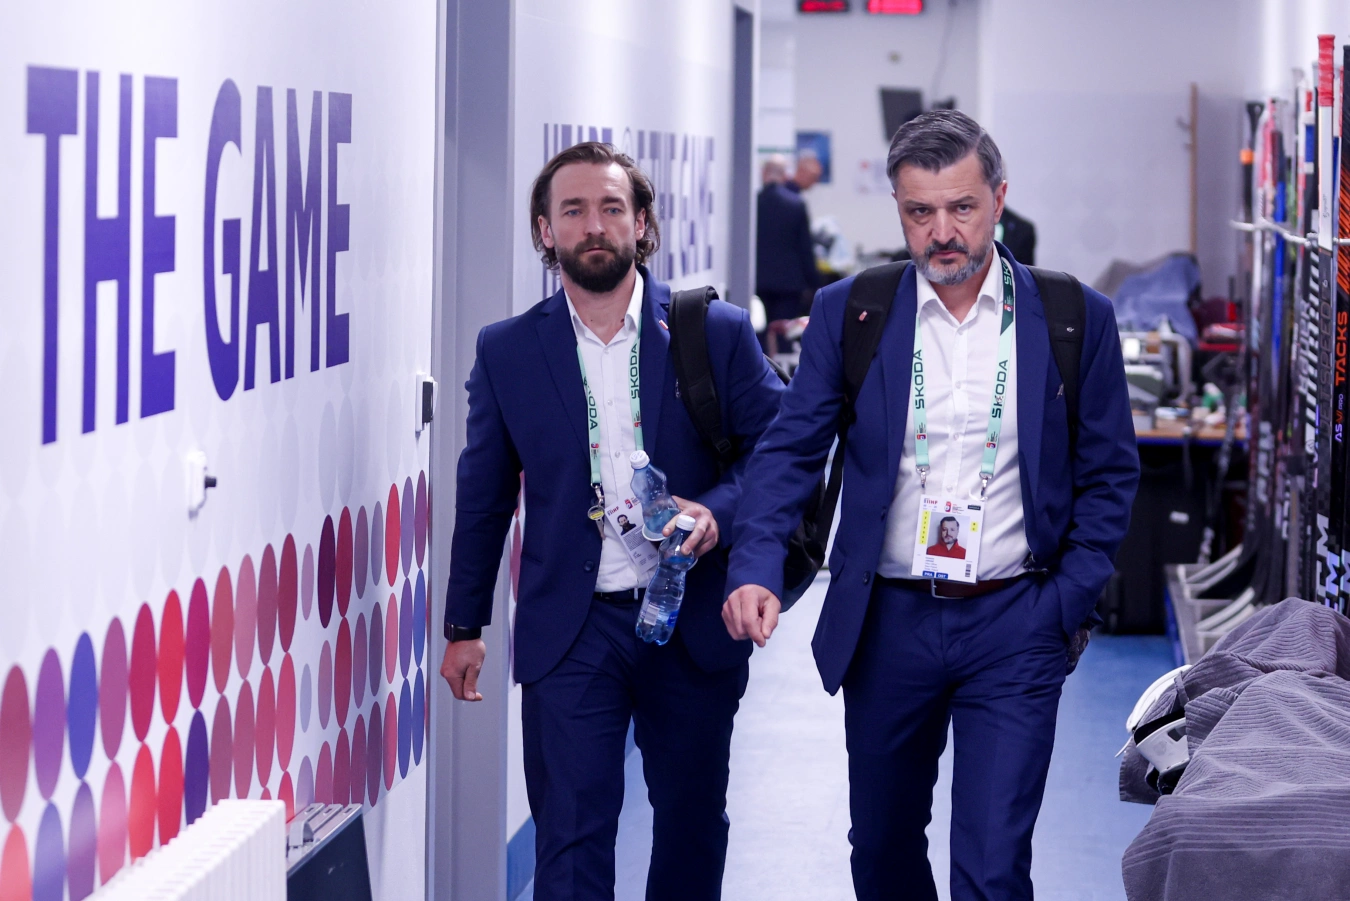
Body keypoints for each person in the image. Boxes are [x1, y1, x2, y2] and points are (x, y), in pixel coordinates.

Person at [722, 110, 1139, 901]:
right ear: (898, 208)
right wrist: (754, 564)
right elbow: (789, 450)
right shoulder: (854, 311)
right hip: (888, 621)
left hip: (1015, 620)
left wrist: (1064, 602)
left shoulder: (1073, 316)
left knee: (992, 864)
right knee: (881, 850)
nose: (942, 232)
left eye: (962, 207)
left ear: (999, 199)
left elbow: (1111, 470)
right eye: (920, 211)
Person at [440, 141, 784, 901]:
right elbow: (484, 493)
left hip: (689, 615)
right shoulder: (508, 351)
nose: (593, 225)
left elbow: (779, 449)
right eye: (573, 211)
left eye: (611, 208)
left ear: (641, 223)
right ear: (545, 230)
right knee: (569, 834)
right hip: (574, 626)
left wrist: (717, 511)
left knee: (691, 826)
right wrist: (465, 624)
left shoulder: (712, 332)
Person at [756, 155, 818, 355]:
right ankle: (782, 371)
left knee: (758, 335)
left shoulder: (753, 204)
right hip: (788, 284)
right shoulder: (795, 204)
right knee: (784, 336)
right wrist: (814, 284)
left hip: (758, 282)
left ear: (763, 174)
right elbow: (805, 249)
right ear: (785, 176)